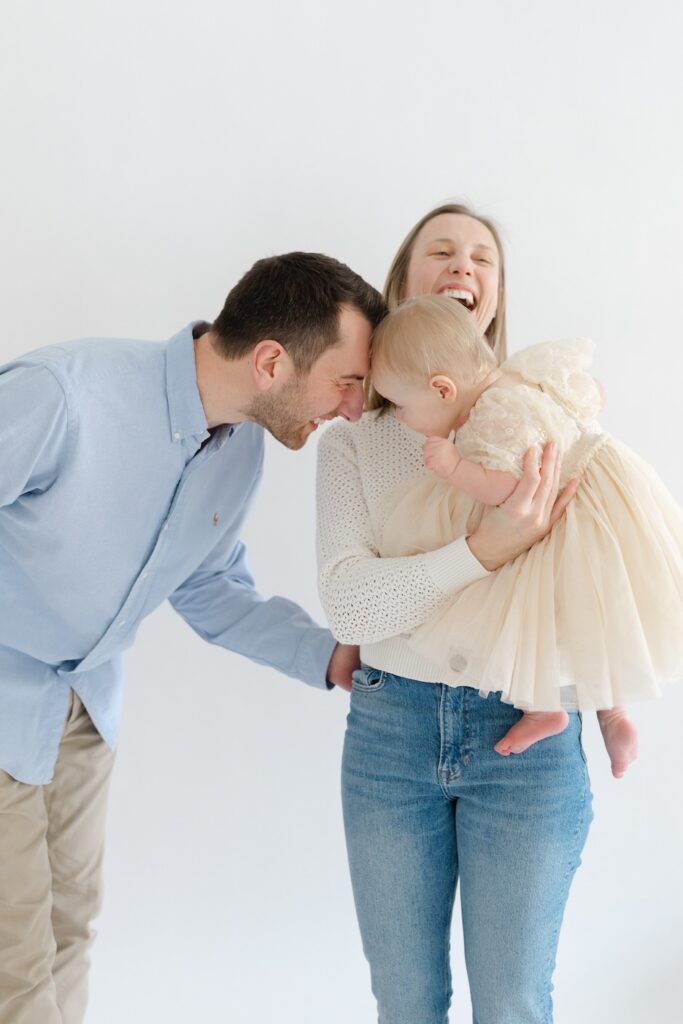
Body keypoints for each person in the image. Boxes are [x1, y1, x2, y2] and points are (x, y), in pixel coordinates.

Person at [0, 251, 386, 1024]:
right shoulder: (62, 395)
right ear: (272, 361)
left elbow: (211, 589)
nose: (351, 409)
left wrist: (331, 655)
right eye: (346, 383)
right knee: (13, 954)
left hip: (86, 707)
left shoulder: (237, 447)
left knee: (68, 928)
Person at [316, 204, 591, 1024]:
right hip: (390, 734)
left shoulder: (544, 421)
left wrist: (597, 699)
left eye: (482, 258)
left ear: (495, 301)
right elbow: (346, 601)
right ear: (402, 285)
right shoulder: (353, 444)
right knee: (405, 1004)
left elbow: (592, 574)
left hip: (528, 741)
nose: (462, 266)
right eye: (440, 252)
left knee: (511, 1003)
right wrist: (487, 546)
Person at [373, 293, 682, 770]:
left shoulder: (488, 417)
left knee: (537, 617)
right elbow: (591, 390)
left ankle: (547, 707)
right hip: (607, 495)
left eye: (401, 404)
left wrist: (456, 468)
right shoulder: (523, 372)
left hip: (563, 514)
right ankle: (614, 712)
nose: (399, 417)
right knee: (597, 616)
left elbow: (511, 489)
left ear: (442, 390)